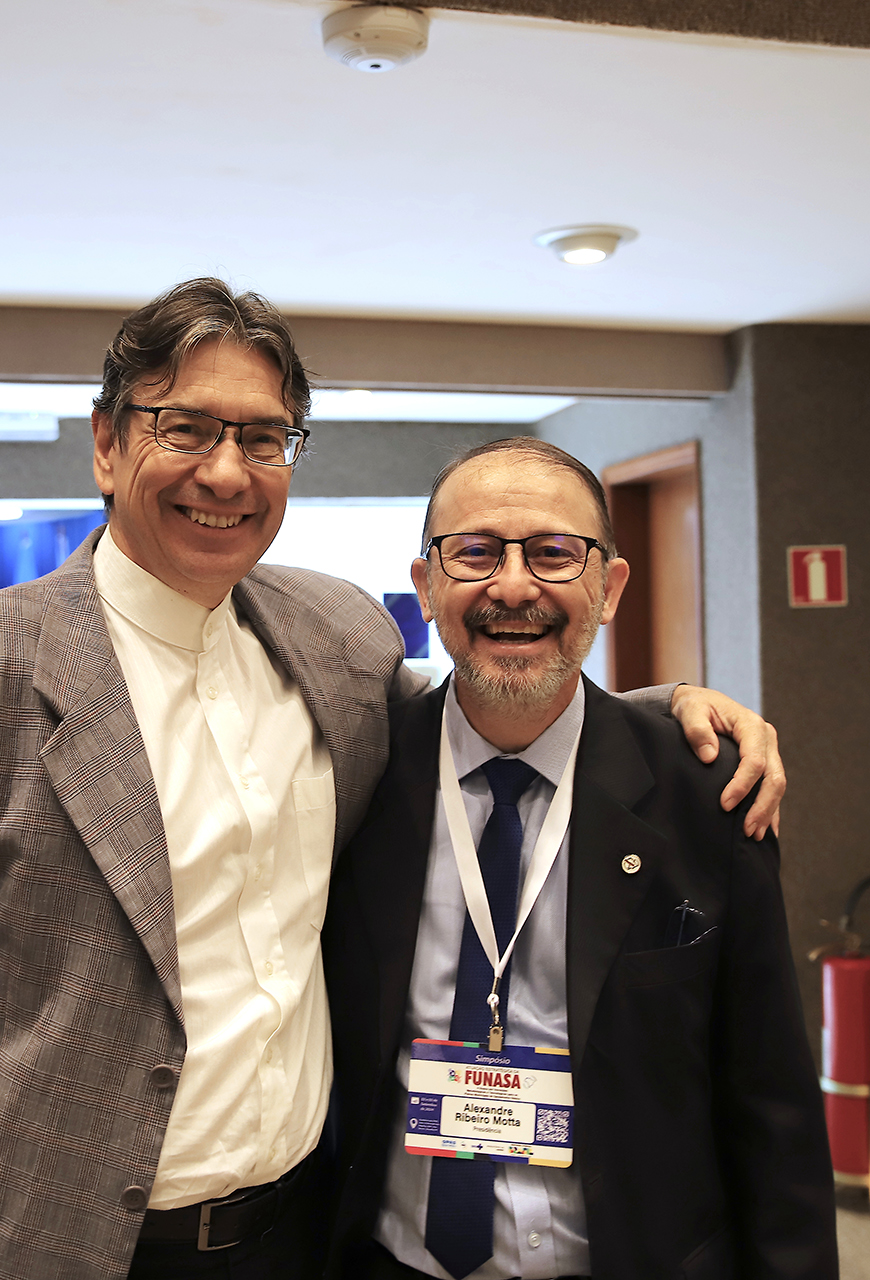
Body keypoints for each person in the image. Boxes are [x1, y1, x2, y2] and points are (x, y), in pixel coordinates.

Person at [0, 278, 785, 1280]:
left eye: (263, 438)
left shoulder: (333, 636)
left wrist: (663, 708)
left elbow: (499, 686)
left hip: (295, 1234)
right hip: (42, 1243)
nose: (227, 471)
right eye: (186, 428)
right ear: (107, 442)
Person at [321, 439, 834, 1280]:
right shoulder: (351, 778)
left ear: (610, 588)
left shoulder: (710, 791)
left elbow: (770, 1097)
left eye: (555, 553)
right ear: (427, 587)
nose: (514, 587)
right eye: (475, 552)